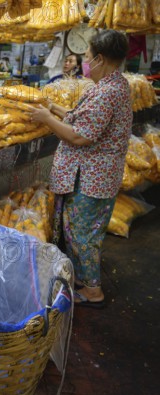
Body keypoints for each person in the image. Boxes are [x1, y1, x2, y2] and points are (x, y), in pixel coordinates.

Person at [28, 30, 131, 308]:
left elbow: (79, 136)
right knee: (81, 233)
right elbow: (79, 118)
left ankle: (93, 291)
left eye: (86, 57)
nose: (84, 62)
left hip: (91, 179)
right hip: (96, 177)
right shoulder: (112, 85)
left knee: (83, 235)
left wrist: (46, 118)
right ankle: (83, 282)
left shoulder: (108, 92)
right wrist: (53, 106)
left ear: (99, 58)